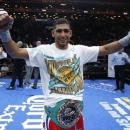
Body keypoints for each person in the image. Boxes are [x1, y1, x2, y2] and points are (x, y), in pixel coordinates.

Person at [0, 10, 130, 130]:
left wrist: (127, 39)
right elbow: (15, 52)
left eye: (66, 31)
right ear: (53, 33)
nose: (63, 34)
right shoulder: (43, 51)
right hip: (53, 114)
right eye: (59, 31)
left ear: (71, 33)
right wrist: (4, 32)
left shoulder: (80, 50)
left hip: (76, 113)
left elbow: (106, 49)